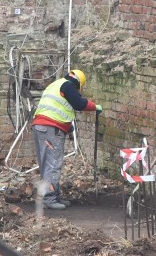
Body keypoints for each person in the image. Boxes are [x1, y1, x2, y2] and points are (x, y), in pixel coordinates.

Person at [31, 69, 101, 210]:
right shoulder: (68, 86)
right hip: (51, 129)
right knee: (53, 163)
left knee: (47, 163)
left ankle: (51, 195)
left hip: (40, 126)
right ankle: (50, 199)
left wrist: (67, 127)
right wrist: (94, 107)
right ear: (78, 83)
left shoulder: (55, 85)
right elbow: (79, 104)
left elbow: (58, 108)